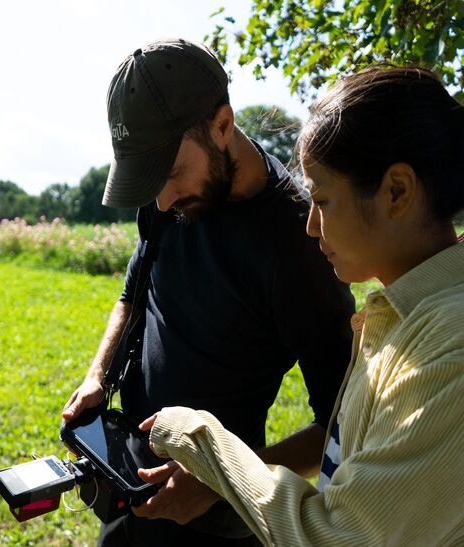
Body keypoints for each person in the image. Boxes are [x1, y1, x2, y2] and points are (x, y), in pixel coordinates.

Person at [143, 65, 464, 546]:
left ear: (397, 191)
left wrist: (199, 438)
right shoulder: (398, 316)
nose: (311, 226)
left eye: (323, 200)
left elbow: (336, 537)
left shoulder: (448, 351)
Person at [61, 38, 356, 545]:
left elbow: (341, 426)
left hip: (216, 522)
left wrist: (225, 480)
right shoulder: (164, 196)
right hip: (128, 474)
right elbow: (135, 290)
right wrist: (98, 375)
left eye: (173, 173)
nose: (164, 199)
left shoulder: (303, 244)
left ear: (222, 125)